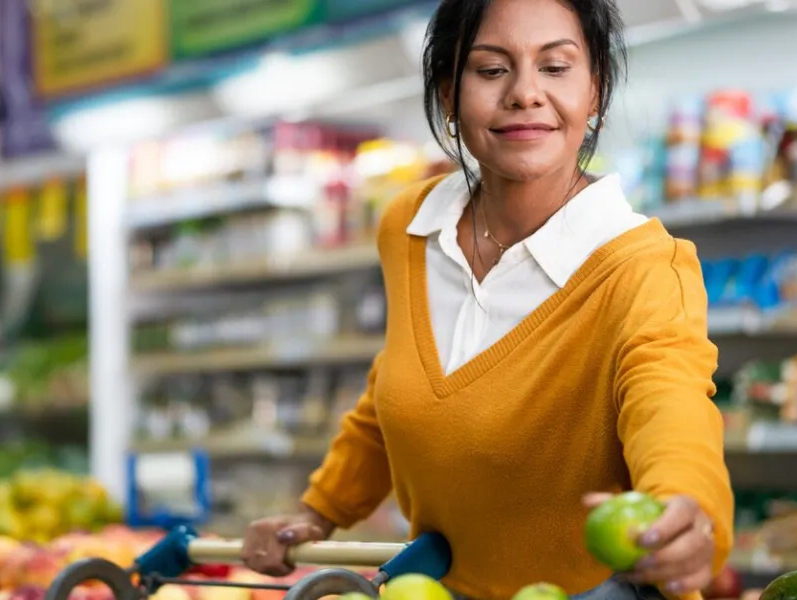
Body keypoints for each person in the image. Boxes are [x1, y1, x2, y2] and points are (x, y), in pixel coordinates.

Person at [240, 0, 734, 598]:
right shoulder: (410, 227)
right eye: (491, 69)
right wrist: (317, 513)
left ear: (595, 92)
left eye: (556, 67)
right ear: (449, 94)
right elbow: (393, 399)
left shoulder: (642, 267)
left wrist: (687, 506)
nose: (525, 94)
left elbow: (671, 403)